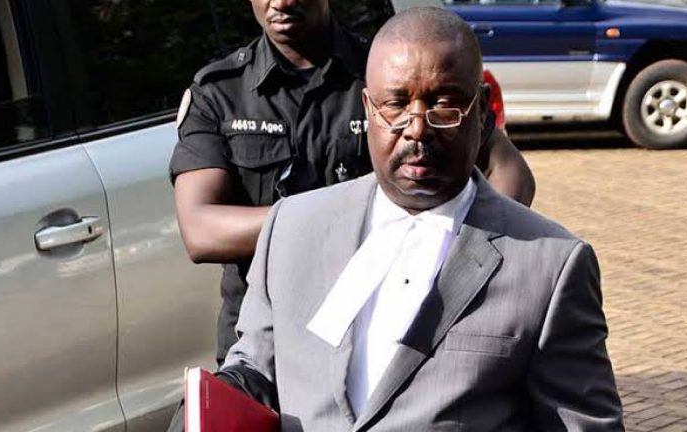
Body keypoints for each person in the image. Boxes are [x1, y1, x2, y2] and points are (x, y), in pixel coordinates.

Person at [209, 7, 624, 431]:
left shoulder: (550, 265)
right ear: (368, 108)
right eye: (396, 104)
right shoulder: (292, 227)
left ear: (481, 110)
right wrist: (211, 404)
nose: (417, 128)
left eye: (444, 104)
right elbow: (256, 366)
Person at [170, 0, 535, 366]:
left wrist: (451, 252)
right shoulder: (220, 92)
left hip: (385, 338)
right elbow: (201, 231)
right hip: (266, 343)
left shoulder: (389, 71)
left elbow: (511, 174)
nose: (281, 2)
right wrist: (347, 216)